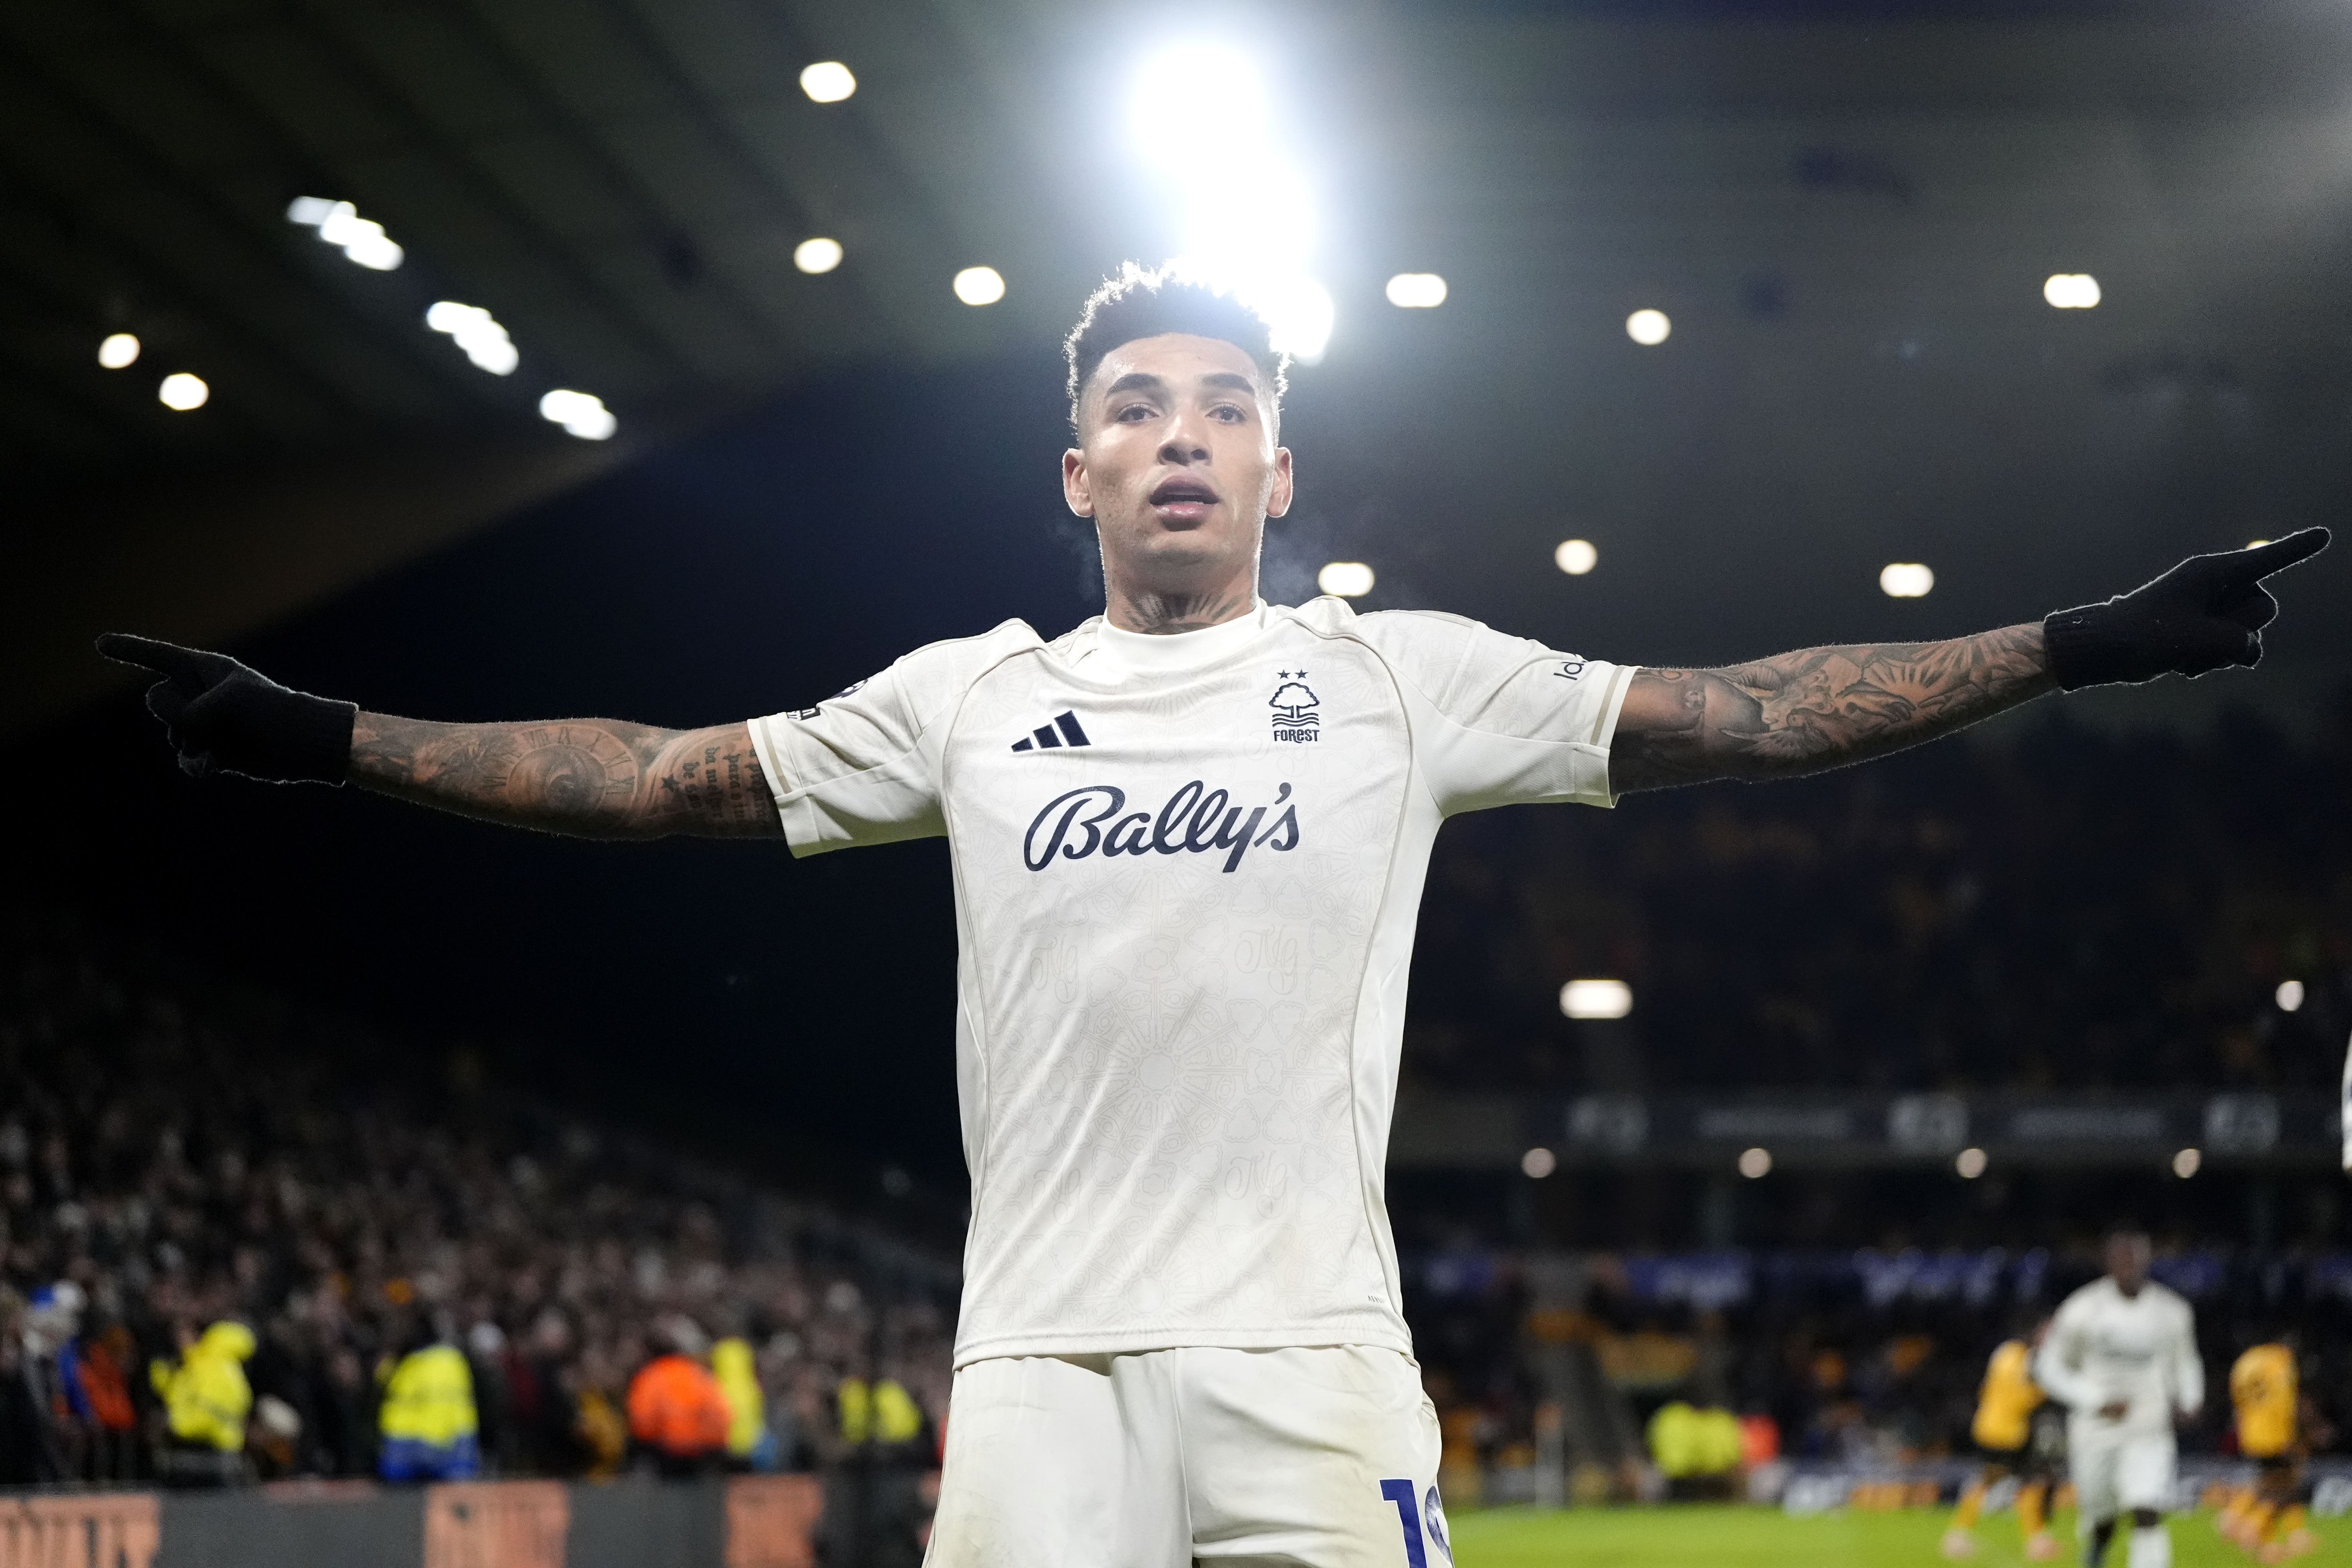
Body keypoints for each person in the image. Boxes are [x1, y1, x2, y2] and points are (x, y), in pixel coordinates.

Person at [98, 264, 2328, 1566]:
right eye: (1135, 408)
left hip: (1312, 1367)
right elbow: (664, 773)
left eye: (1227, 408)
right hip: (1037, 1380)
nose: (1182, 435)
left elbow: (1744, 713)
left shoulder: (1399, 676)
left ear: (1279, 469)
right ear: (1074, 470)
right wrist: (328, 734)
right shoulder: (969, 699)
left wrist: (2073, 644)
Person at [2035, 1232, 2203, 1568]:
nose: (2128, 1266)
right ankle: (2098, 1546)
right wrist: (2095, 1400)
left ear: (2146, 1261)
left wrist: (2190, 1400)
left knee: (2147, 1504)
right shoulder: (2082, 1309)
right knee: (2101, 1510)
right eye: (2121, 1259)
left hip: (2149, 1423)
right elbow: (2048, 1367)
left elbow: (2186, 1362)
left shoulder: (2171, 1311)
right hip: (2095, 1429)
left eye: (2134, 1258)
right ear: (2108, 1263)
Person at [1945, 1319, 2061, 1561]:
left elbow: (1986, 1387)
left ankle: (1959, 1536)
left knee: (1993, 1481)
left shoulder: (2005, 1352)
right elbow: (2022, 1397)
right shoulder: (2027, 1360)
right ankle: (2036, 1542)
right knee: (2027, 1484)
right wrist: (2046, 1392)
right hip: (2009, 1432)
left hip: (1988, 1425)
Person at [2219, 1334, 2318, 1562]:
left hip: (2251, 1432)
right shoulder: (2281, 1362)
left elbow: (2236, 1394)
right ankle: (2253, 1530)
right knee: (2282, 1486)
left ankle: (2245, 1522)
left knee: (2272, 1483)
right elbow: (2284, 1401)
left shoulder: (2247, 1360)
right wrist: (2289, 1434)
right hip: (2275, 1433)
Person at [149, 1319, 256, 1486]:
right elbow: (176, 1397)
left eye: (185, 1332)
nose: (180, 1339)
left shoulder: (213, 1358)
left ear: (198, 1334)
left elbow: (214, 1407)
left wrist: (176, 1425)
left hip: (216, 1450)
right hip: (190, 1450)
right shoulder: (187, 1366)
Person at [377, 1331, 481, 1481]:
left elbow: (380, 1379)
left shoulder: (402, 1362)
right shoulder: (454, 1360)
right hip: (454, 1446)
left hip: (403, 1446)